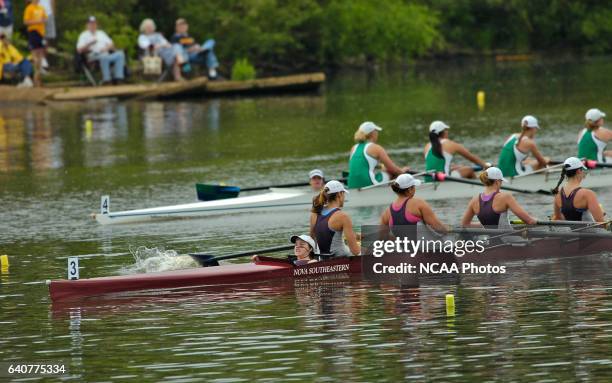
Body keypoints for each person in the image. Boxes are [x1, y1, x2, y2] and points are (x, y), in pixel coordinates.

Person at [461, 167, 537, 228]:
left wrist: (484, 224)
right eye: (501, 181)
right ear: (497, 182)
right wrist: (535, 220)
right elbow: (529, 221)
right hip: (508, 240)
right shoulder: (506, 197)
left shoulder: (474, 200)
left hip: (490, 241)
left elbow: (465, 224)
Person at [379, 174, 448, 239]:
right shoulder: (418, 204)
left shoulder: (387, 213)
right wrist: (448, 230)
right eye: (414, 187)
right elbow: (439, 229)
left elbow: (382, 238)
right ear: (409, 190)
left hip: (405, 250)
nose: (415, 189)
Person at [347, 121, 409, 189]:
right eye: (376, 131)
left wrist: (381, 166)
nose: (377, 133)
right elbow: (393, 169)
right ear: (373, 133)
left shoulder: (354, 148)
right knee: (392, 174)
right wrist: (403, 171)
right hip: (368, 185)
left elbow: (361, 164)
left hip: (351, 185)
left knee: (383, 171)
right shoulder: (376, 148)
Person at [310, 180, 360, 256]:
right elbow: (355, 251)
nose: (344, 197)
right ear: (339, 194)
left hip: (322, 257)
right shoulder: (343, 217)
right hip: (341, 256)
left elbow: (311, 241)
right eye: (344, 194)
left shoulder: (315, 213)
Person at [424, 120, 488, 180]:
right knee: (469, 170)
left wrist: (455, 167)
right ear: (443, 132)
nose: (447, 132)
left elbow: (436, 165)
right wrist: (487, 166)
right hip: (444, 180)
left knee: (459, 167)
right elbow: (472, 158)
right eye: (446, 130)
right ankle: (477, 188)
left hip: (429, 179)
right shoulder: (450, 144)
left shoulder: (427, 146)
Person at [551, 157, 605, 222]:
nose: (583, 173)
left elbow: (558, 218)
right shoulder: (588, 194)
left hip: (571, 231)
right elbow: (601, 223)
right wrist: (601, 214)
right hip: (591, 232)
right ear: (579, 171)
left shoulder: (558, 194)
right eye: (582, 170)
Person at [76, 16, 126, 85]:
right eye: (91, 24)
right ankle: (106, 80)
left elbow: (111, 44)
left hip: (106, 53)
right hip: (93, 55)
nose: (93, 25)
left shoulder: (101, 33)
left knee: (120, 54)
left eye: (94, 24)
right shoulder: (83, 35)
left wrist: (106, 48)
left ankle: (118, 78)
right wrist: (90, 44)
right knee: (104, 57)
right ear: (87, 25)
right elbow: (79, 50)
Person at [253, 235, 319, 266]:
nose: (297, 247)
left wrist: (314, 263)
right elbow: (278, 262)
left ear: (310, 249)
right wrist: (261, 259)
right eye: (296, 244)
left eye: (301, 245)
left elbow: (316, 263)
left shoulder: (312, 262)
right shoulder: (290, 260)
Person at [23, 0, 46, 86]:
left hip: (41, 33)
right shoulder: (29, 8)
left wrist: (43, 20)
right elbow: (26, 21)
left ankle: (38, 78)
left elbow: (44, 18)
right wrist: (37, 21)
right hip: (33, 32)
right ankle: (34, 78)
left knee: (40, 57)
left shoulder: (41, 8)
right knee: (35, 56)